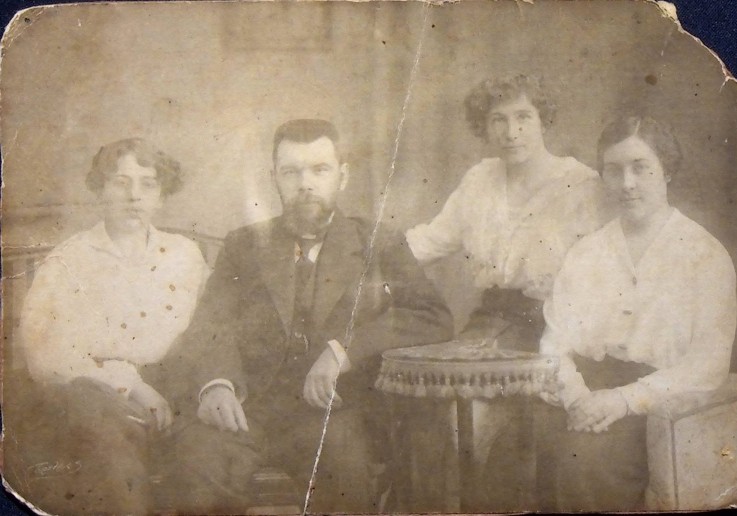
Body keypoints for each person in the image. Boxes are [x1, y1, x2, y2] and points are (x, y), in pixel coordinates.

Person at [167, 119, 453, 513]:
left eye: (319, 170)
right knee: (197, 467)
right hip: (247, 409)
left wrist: (342, 350)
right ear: (275, 178)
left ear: (342, 176)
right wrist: (217, 384)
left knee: (348, 474)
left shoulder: (378, 242)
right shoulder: (243, 245)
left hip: (331, 415)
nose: (305, 184)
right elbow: (209, 324)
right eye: (291, 172)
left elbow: (432, 315)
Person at [536, 115, 737, 511]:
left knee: (584, 464)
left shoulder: (703, 253)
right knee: (513, 451)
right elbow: (553, 343)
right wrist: (577, 398)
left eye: (640, 168)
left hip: (655, 406)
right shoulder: (586, 253)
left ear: (667, 170)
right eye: (614, 170)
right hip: (582, 393)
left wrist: (623, 400)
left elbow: (708, 363)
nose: (627, 183)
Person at [16, 138, 208, 514]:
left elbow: (210, 330)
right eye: (121, 182)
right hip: (96, 394)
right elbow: (45, 357)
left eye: (148, 184)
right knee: (106, 441)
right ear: (101, 189)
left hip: (174, 392)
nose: (134, 196)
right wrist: (132, 386)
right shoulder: (69, 259)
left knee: (204, 458)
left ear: (161, 195)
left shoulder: (185, 255)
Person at [406, 72, 607, 349]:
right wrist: (371, 258)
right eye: (498, 120)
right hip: (491, 322)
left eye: (523, 117)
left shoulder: (582, 185)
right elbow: (431, 240)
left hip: (562, 324)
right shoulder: (480, 180)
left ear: (543, 121)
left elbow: (607, 269)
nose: (511, 133)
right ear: (485, 127)